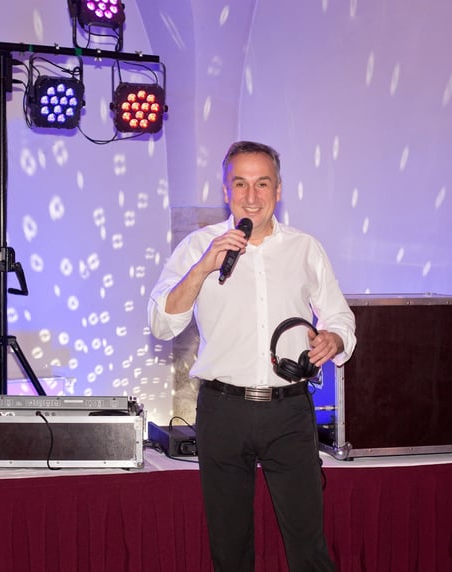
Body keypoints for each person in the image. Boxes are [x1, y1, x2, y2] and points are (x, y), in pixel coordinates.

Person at [148, 140, 356, 571]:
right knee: (230, 550)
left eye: (262, 183)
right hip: (223, 410)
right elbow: (162, 324)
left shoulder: (305, 248)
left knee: (309, 548)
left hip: (290, 412)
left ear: (278, 190)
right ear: (226, 191)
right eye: (240, 183)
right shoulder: (199, 247)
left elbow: (340, 317)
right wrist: (204, 267)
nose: (251, 196)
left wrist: (334, 339)